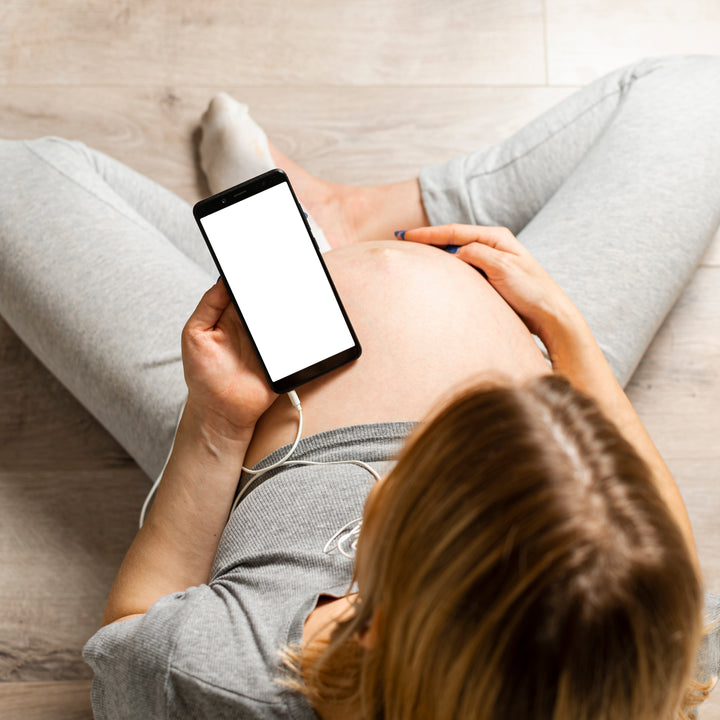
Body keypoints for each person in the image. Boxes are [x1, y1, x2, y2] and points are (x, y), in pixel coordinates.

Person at [0, 55, 719, 719]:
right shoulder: (630, 660)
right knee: (694, 97)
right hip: (528, 330)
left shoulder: (218, 678)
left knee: (21, 179)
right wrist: (571, 346)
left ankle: (324, 241)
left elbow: (134, 631)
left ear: (374, 625)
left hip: (252, 410)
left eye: (405, 492)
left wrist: (215, 428)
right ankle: (354, 216)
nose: (381, 481)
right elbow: (656, 568)